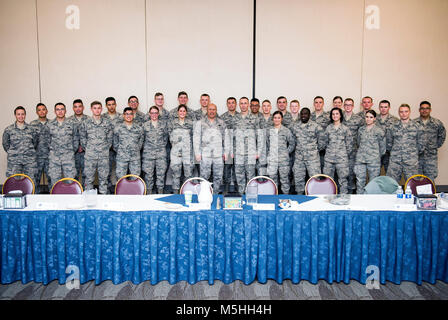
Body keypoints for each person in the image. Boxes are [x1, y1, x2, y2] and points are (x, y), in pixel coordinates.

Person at [193, 103, 229, 194]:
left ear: (216, 111)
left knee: (218, 176)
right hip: (205, 155)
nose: (212, 111)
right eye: (210, 109)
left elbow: (226, 138)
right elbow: (196, 138)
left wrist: (226, 152)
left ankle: (215, 194)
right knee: (204, 176)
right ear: (207, 110)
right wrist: (197, 153)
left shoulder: (222, 123)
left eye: (214, 109)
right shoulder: (200, 123)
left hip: (218, 154)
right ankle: (204, 195)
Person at [80, 101, 113, 194]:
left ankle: (103, 200)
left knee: (104, 179)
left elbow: (110, 139)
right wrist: (89, 149)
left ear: (102, 109)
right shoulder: (85, 123)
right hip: (90, 156)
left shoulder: (107, 123)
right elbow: (82, 139)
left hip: (103, 156)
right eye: (95, 108)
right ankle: (89, 200)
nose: (97, 110)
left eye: (99, 108)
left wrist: (104, 149)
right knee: (89, 179)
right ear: (91, 109)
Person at [386, 104, 424, 184]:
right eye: (401, 112)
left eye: (406, 111)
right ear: (399, 113)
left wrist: (412, 154)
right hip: (395, 161)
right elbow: (389, 143)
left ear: (409, 112)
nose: (404, 114)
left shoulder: (417, 126)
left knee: (413, 184)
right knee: (391, 184)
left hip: (411, 161)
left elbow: (421, 145)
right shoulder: (393, 126)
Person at [291, 107, 322, 195]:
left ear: (309, 115)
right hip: (299, 159)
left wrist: (313, 150)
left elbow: (322, 142)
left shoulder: (316, 126)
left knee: (315, 180)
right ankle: (300, 198)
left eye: (306, 114)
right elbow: (293, 141)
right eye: (302, 114)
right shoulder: (295, 126)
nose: (303, 116)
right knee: (298, 180)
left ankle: (315, 199)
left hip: (313, 159)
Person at [47, 103, 79, 189]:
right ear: (54, 111)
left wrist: (71, 151)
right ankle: (54, 202)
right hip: (54, 158)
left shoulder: (72, 123)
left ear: (65, 110)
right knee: (54, 181)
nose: (60, 111)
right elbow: (47, 141)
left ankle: (71, 201)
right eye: (58, 109)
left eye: (62, 109)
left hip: (68, 156)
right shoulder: (49, 124)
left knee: (70, 181)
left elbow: (75, 139)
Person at [322, 107, 353, 194]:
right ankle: (328, 199)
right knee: (328, 180)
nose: (335, 116)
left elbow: (349, 145)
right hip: (329, 159)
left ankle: (343, 198)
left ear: (340, 115)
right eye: (333, 114)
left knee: (343, 181)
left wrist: (342, 154)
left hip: (342, 160)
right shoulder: (328, 128)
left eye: (337, 114)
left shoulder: (345, 129)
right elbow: (325, 143)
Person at [354, 110, 386, 194]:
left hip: (373, 160)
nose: (368, 119)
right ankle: (360, 201)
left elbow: (382, 148)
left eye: (371, 117)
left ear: (374, 119)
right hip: (361, 160)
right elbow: (358, 142)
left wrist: (375, 156)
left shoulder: (379, 130)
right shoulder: (361, 130)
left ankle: (372, 203)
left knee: (373, 183)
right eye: (367, 117)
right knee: (360, 182)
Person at [2, 106, 38, 180]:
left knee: (31, 182)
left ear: (25, 115)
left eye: (22, 114)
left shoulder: (32, 129)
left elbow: (35, 143)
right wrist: (14, 153)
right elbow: (5, 144)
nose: (21, 116)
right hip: (14, 161)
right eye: (18, 114)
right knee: (14, 182)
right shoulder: (9, 129)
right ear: (15, 115)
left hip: (29, 160)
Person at [414, 101, 446, 182]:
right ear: (419, 110)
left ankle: (430, 195)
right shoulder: (414, 123)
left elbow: (442, 135)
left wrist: (434, 146)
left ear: (430, 110)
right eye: (422, 108)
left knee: (430, 180)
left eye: (427, 108)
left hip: (431, 157)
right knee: (417, 179)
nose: (424, 110)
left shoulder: (437, 123)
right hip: (417, 157)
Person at [233, 97, 259, 195]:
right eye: (241, 103)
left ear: (248, 105)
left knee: (250, 176)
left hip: (250, 153)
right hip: (238, 153)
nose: (243, 105)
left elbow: (259, 136)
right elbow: (231, 136)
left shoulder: (255, 119)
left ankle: (251, 197)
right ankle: (241, 196)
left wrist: (258, 152)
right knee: (239, 177)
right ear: (239, 105)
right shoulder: (235, 119)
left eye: (245, 103)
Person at [266, 111, 295, 194]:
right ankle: (273, 198)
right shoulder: (269, 131)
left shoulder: (286, 131)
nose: (277, 119)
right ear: (273, 119)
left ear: (281, 119)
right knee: (272, 180)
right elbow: (267, 143)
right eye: (275, 118)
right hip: (272, 160)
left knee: (284, 180)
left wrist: (286, 152)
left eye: (278, 118)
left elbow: (292, 143)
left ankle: (285, 198)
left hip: (283, 161)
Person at [142, 106, 169, 194]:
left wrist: (160, 147)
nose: (154, 115)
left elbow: (165, 138)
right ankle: (149, 194)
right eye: (152, 113)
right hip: (148, 155)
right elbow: (141, 139)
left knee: (161, 175)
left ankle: (160, 193)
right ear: (149, 114)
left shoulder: (163, 124)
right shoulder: (145, 125)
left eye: (156, 113)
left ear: (158, 114)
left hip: (160, 154)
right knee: (148, 176)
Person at [168, 105, 194, 194]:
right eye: (180, 111)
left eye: (184, 111)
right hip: (175, 153)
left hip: (188, 153)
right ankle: (176, 194)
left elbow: (194, 137)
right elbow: (169, 136)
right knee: (176, 175)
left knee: (188, 174)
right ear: (177, 112)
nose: (182, 113)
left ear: (186, 112)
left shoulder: (191, 123)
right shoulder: (172, 123)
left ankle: (187, 193)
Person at [113, 107, 144, 180]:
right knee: (121, 179)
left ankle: (134, 191)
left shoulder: (139, 128)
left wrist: (135, 149)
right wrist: (121, 151)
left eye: (130, 114)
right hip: (122, 157)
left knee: (135, 179)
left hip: (135, 158)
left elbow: (141, 142)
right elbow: (115, 143)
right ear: (123, 115)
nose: (129, 116)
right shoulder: (118, 128)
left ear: (133, 115)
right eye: (127, 114)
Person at [342, 98, 364, 193]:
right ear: (343, 106)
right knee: (341, 174)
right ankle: (341, 193)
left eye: (350, 105)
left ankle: (351, 194)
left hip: (353, 152)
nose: (348, 107)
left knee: (351, 174)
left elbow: (362, 135)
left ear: (353, 106)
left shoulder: (359, 119)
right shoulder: (338, 116)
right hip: (340, 151)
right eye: (346, 105)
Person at [30, 103, 51, 193]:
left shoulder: (52, 123)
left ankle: (53, 200)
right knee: (35, 179)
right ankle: (35, 200)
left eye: (43, 109)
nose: (42, 111)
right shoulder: (32, 125)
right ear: (36, 112)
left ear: (47, 111)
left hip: (50, 156)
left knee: (51, 179)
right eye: (39, 110)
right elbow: (29, 141)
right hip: (37, 157)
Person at [102, 97, 122, 193]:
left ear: (116, 104)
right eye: (109, 104)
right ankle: (108, 191)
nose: (111, 106)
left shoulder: (121, 117)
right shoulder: (102, 117)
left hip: (120, 149)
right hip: (107, 149)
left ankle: (120, 190)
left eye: (113, 104)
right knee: (106, 171)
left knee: (121, 171)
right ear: (106, 106)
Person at [220, 97, 239, 194]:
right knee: (226, 170)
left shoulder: (240, 117)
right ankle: (226, 191)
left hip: (238, 149)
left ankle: (237, 190)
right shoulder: (222, 118)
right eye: (229, 103)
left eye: (233, 103)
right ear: (227, 105)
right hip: (227, 148)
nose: (231, 105)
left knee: (238, 170)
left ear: (236, 104)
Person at [68, 99, 88, 188]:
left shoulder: (89, 119)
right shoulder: (68, 120)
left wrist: (83, 146)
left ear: (83, 107)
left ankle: (85, 195)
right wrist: (75, 147)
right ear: (73, 108)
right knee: (73, 175)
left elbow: (91, 136)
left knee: (86, 175)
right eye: (75, 107)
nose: (78, 109)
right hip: (73, 153)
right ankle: (75, 195)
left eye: (80, 106)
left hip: (86, 152)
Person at [376, 100, 398, 173]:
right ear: (379, 108)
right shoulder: (373, 119)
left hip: (389, 152)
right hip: (376, 152)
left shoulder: (395, 120)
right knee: (374, 175)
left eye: (385, 107)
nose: (383, 109)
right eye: (381, 107)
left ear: (389, 108)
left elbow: (398, 137)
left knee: (390, 175)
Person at [311, 96, 330, 171]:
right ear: (314, 104)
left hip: (324, 149)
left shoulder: (328, 117)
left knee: (323, 170)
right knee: (312, 172)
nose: (318, 104)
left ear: (323, 104)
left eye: (320, 102)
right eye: (316, 102)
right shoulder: (309, 116)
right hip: (311, 149)